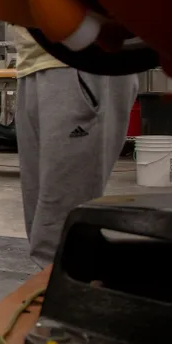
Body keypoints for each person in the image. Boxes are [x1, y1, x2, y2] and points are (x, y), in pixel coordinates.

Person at [13, 27, 139, 267]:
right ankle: (62, 293)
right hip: (34, 62)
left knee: (61, 230)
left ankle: (66, 298)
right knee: (42, 224)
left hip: (80, 62)